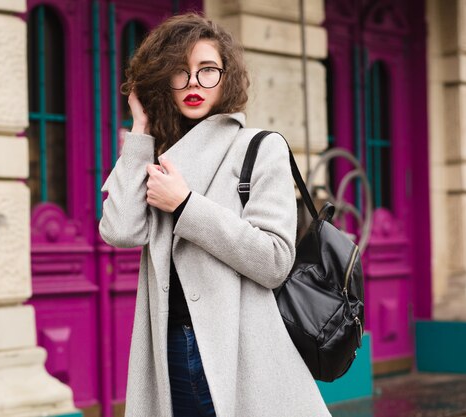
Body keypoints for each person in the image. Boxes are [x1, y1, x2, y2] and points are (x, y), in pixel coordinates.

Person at [99, 12, 332, 417]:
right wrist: (139, 128)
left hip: (239, 351)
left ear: (226, 78)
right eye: (180, 72)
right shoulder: (154, 155)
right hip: (169, 347)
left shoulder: (259, 147)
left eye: (207, 70)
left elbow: (275, 259)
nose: (193, 82)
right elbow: (120, 230)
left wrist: (187, 205)